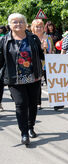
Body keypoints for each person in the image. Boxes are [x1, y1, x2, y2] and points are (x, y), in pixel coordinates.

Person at [0, 13, 44, 146]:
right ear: (10, 25)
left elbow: (41, 56)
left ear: (26, 24)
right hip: (14, 79)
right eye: (14, 22)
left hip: (33, 77)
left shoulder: (33, 38)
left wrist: (44, 50)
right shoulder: (4, 41)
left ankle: (31, 127)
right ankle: (24, 133)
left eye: (21, 22)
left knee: (32, 104)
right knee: (21, 104)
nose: (18, 24)